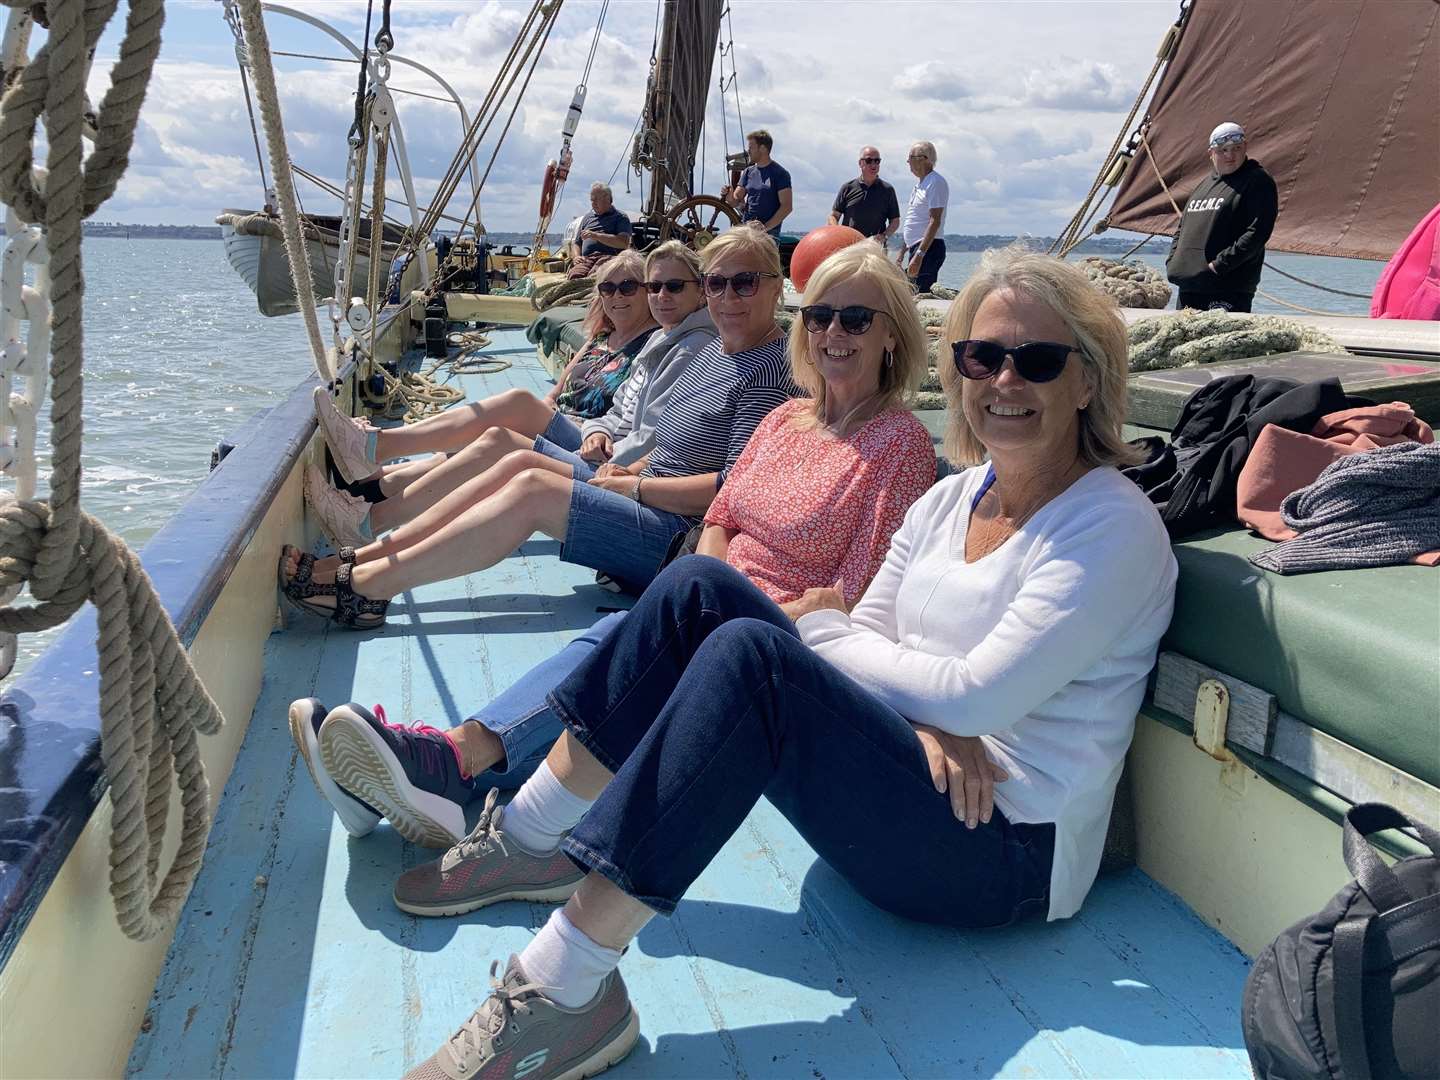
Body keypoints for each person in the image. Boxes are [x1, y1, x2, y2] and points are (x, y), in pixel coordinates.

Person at [397, 248, 1179, 1080]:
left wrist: (907, 683)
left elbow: (973, 690)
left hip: (1004, 851)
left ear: (1088, 380)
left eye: (1039, 360)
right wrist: (920, 710)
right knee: (700, 582)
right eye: (981, 356)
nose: (1004, 380)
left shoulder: (1110, 526)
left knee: (754, 660)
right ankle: (527, 836)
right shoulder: (955, 497)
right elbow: (873, 636)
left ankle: (563, 990)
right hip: (913, 777)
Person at [291, 243, 937, 856]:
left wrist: (729, 606)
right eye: (821, 316)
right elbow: (721, 513)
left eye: (855, 318)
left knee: (628, 644)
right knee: (619, 637)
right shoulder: (786, 420)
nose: (833, 333)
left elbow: (856, 601)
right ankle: (432, 770)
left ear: (892, 335)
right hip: (711, 595)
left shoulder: (899, 445)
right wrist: (706, 579)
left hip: (779, 644)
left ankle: (447, 765)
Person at [279, 228, 797, 630]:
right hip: (642, 491)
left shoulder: (770, 369)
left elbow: (731, 492)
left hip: (682, 537)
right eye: (717, 283)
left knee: (529, 490)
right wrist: (631, 466)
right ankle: (365, 553)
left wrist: (634, 485)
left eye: (744, 282)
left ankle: (367, 587)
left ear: (776, 285)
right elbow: (671, 441)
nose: (728, 296)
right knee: (518, 460)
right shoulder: (715, 353)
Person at [303, 252, 657, 547]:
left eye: (628, 286)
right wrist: (548, 403)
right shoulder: (601, 337)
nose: (616, 296)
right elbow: (557, 389)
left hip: (588, 443)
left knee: (516, 405)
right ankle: (377, 486)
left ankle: (374, 452)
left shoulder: (651, 348)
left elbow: (636, 426)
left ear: (648, 292)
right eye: (608, 287)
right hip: (561, 422)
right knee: (486, 440)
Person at [1166, 122, 1279, 313]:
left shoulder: (1257, 180)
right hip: (1190, 288)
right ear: (1211, 153)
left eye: (1236, 148)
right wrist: (1173, 260)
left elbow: (1257, 233)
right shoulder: (1203, 185)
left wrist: (1219, 265)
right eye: (1223, 150)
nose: (1230, 155)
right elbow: (1182, 228)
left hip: (1227, 289)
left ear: (1245, 147)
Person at [897, 140, 949, 293]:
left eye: (910, 158)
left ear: (923, 159)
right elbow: (913, 220)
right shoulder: (919, 185)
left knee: (919, 294)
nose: (908, 162)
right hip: (916, 247)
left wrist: (919, 255)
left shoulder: (935, 182)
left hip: (928, 249)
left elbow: (935, 221)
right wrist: (901, 254)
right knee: (909, 293)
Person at [829, 145, 900, 245]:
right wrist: (839, 234)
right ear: (860, 163)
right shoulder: (848, 188)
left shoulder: (888, 190)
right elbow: (833, 216)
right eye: (869, 160)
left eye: (877, 161)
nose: (873, 164)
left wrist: (884, 236)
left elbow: (895, 221)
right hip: (850, 247)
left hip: (875, 248)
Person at [727, 129, 793, 237]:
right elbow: (735, 201)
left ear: (762, 148)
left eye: (751, 148)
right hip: (747, 231)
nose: (748, 151)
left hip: (768, 235)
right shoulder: (748, 172)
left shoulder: (781, 174)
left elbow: (787, 207)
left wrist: (765, 228)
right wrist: (729, 196)